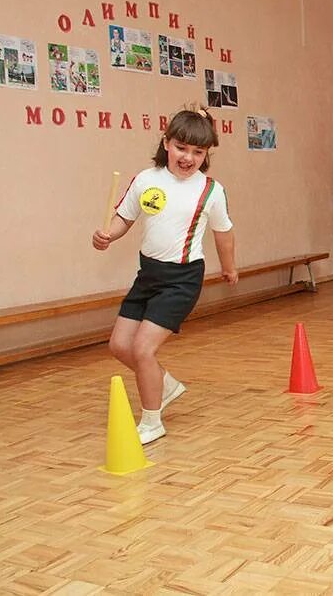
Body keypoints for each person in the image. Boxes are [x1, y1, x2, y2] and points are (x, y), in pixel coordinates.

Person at [91, 107, 237, 445]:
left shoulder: (211, 190)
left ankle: (152, 421)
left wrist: (229, 266)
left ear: (206, 155)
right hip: (149, 276)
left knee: (142, 349)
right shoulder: (146, 179)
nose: (188, 157)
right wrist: (108, 235)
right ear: (166, 143)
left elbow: (223, 233)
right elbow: (124, 217)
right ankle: (165, 384)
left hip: (183, 279)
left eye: (198, 152)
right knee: (118, 345)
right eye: (181, 148)